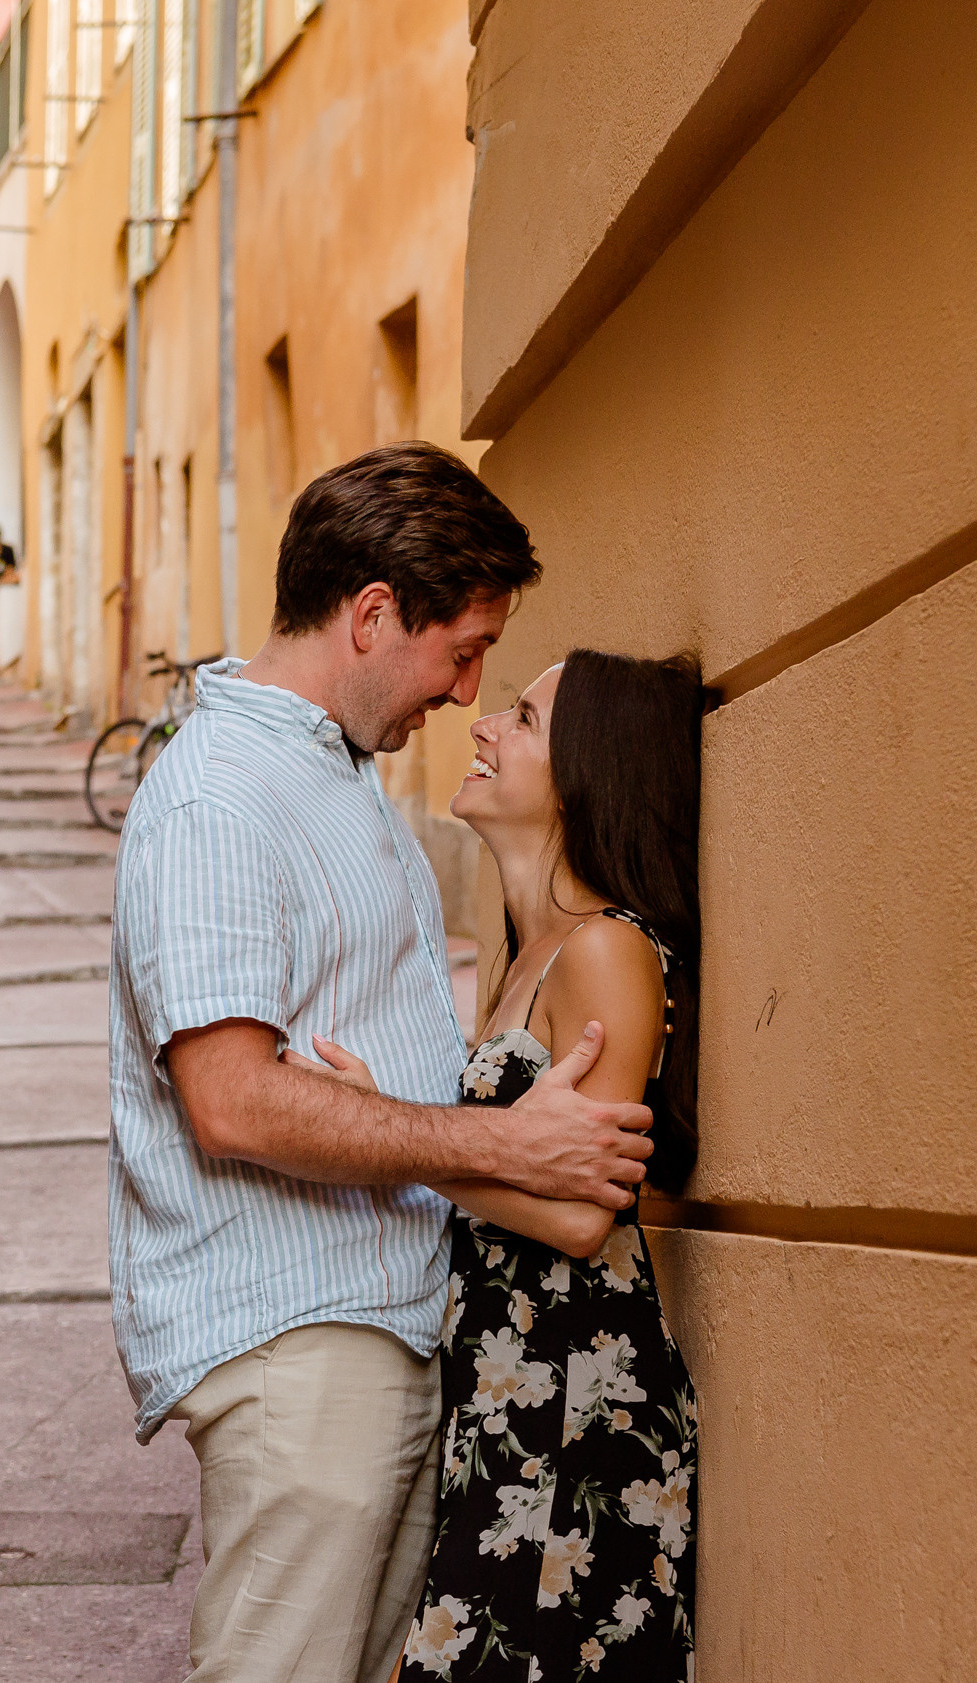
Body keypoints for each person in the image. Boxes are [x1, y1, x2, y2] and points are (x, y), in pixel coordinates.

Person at [109, 442, 657, 1683]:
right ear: (369, 615)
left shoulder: (332, 777)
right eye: (460, 650)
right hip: (302, 1343)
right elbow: (230, 1099)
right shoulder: (219, 798)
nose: (466, 693)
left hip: (386, 1330)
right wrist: (501, 1142)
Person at [334, 649, 705, 1681]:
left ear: (590, 771)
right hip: (509, 1393)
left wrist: (390, 1136)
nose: (484, 726)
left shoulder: (605, 948)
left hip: (576, 1403)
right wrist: (402, 1132)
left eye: (525, 719)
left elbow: (586, 1217)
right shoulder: (523, 957)